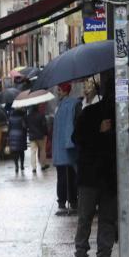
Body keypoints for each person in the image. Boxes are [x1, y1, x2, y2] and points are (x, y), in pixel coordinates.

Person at [73, 77, 119, 257]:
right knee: (85, 218)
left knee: (108, 218)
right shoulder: (88, 113)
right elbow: (77, 138)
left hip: (109, 176)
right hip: (90, 177)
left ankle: (104, 256)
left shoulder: (118, 116)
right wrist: (98, 130)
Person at [52, 83, 81, 216]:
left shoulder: (69, 104)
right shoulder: (64, 105)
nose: (57, 92)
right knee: (67, 175)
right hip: (64, 146)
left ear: (64, 90)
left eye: (59, 89)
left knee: (66, 175)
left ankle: (66, 201)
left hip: (65, 146)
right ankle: (68, 201)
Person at [26, 104, 50, 173]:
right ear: (37, 108)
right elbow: (44, 125)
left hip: (32, 136)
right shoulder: (41, 115)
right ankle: (43, 165)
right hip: (40, 136)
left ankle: (34, 168)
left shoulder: (28, 116)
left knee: (33, 152)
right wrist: (45, 133)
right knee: (42, 150)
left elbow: (26, 125)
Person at [7, 107, 28, 173]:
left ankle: (16, 166)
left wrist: (9, 136)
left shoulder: (10, 118)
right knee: (21, 152)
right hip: (21, 136)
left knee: (14, 152)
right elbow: (24, 127)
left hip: (12, 136)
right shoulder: (22, 118)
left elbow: (9, 128)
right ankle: (22, 165)